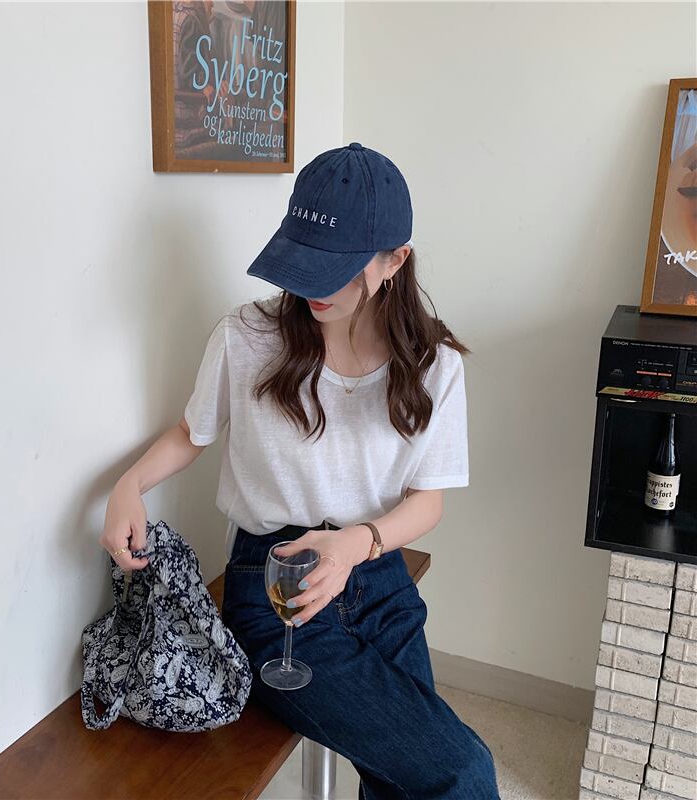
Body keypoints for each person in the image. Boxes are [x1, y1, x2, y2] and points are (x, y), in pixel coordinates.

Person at [100, 142, 501, 799]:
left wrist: (357, 545)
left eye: (337, 269)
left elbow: (428, 501)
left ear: (395, 260)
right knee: (459, 770)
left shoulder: (435, 365)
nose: (314, 287)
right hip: (274, 580)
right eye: (304, 261)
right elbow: (190, 433)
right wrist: (128, 485)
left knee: (412, 776)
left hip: (377, 572)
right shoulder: (246, 337)